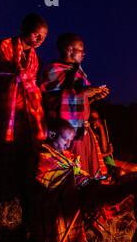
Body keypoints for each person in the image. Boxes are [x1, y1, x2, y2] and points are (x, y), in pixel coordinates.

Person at [29, 118, 137, 242]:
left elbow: (79, 174)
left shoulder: (64, 154)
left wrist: (98, 178)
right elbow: (48, 182)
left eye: (70, 140)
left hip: (93, 188)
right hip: (80, 197)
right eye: (66, 140)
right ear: (52, 135)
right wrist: (75, 173)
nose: (69, 144)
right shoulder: (43, 156)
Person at [0, 13, 48, 224]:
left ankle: (27, 215)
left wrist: (29, 84)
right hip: (5, 113)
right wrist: (18, 78)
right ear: (24, 29)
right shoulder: (3, 47)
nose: (39, 39)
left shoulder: (35, 58)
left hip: (27, 116)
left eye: (43, 36)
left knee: (28, 162)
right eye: (36, 34)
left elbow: (32, 82)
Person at [40, 33, 110, 179]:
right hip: (66, 132)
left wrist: (94, 96)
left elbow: (79, 101)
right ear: (69, 49)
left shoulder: (78, 71)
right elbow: (54, 101)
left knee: (87, 173)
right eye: (81, 49)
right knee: (73, 174)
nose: (84, 53)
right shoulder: (53, 70)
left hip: (83, 128)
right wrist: (84, 92)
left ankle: (87, 198)